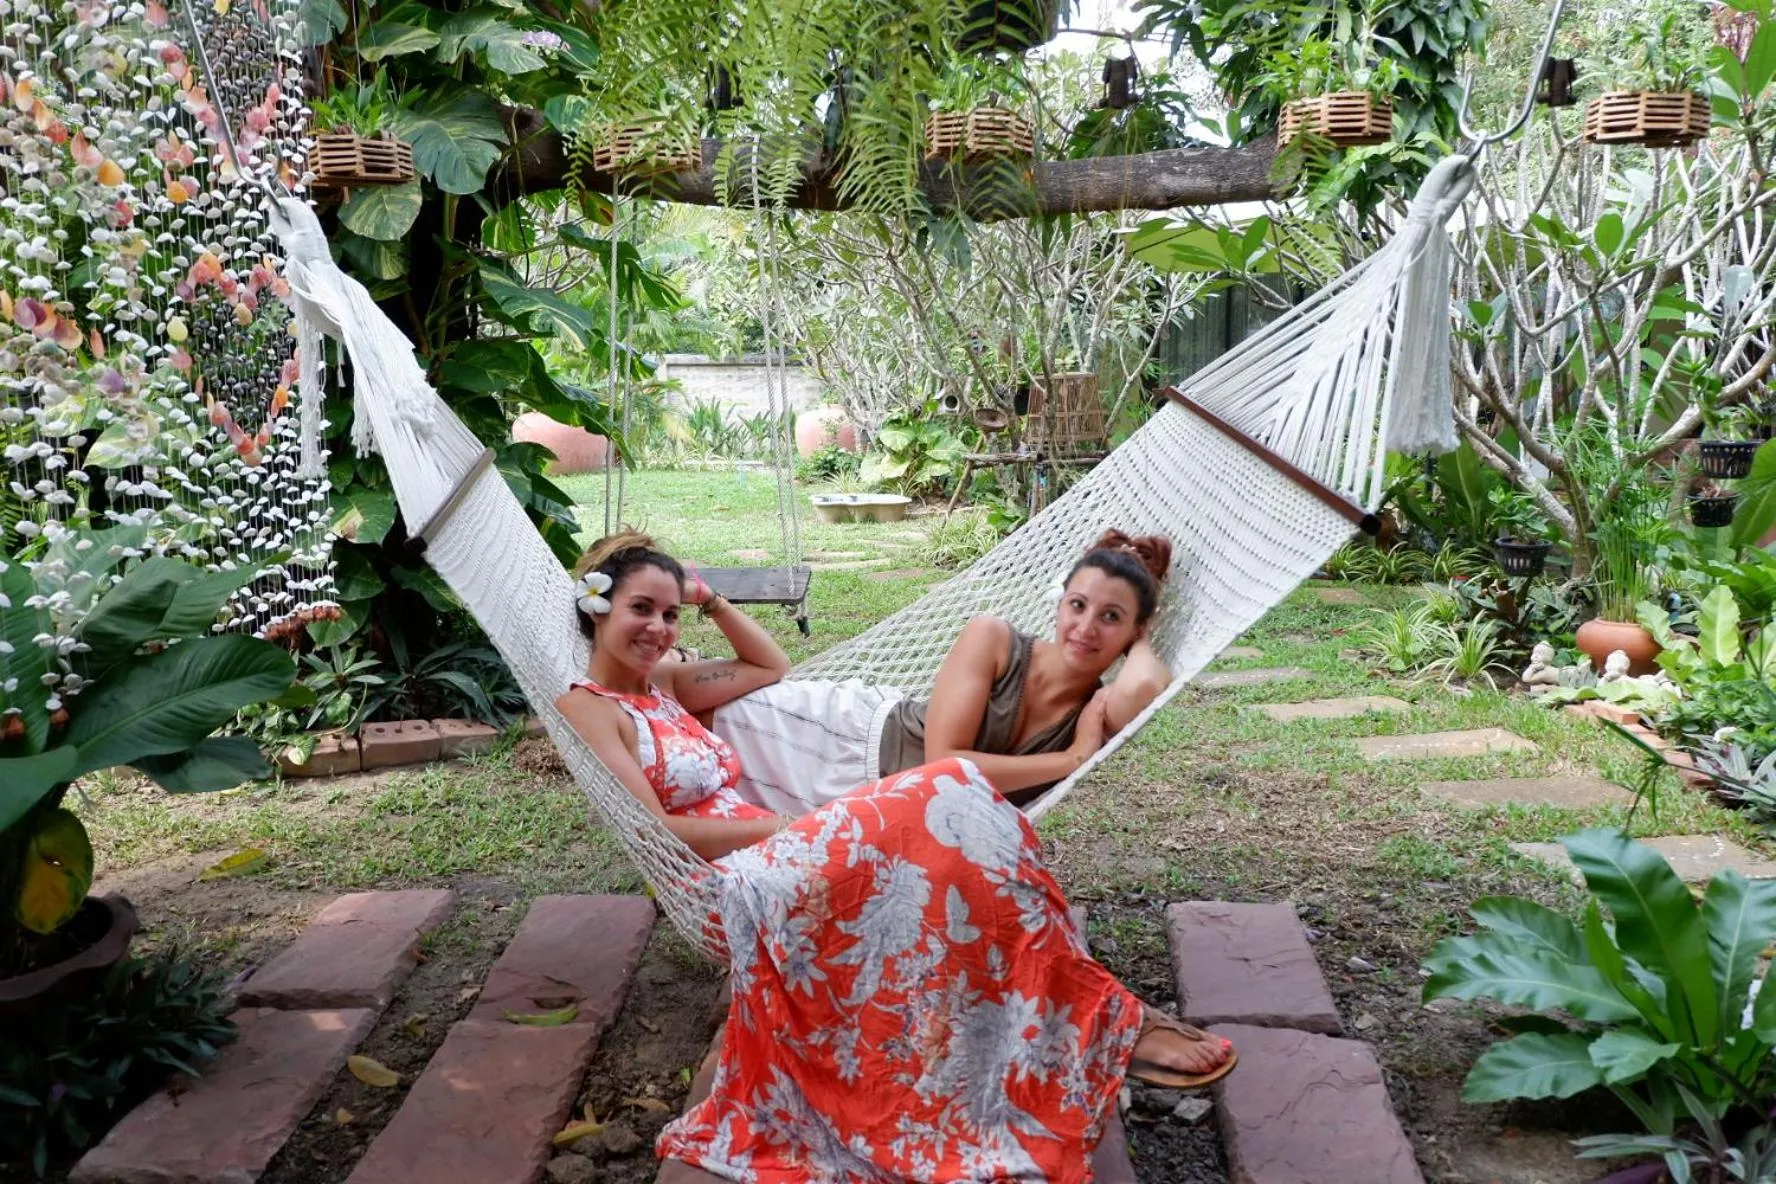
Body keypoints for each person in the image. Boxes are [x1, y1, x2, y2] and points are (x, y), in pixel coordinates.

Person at [554, 530, 1234, 1182]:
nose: (660, 629)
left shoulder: (664, 691)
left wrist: (709, 599)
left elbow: (770, 667)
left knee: (956, 831)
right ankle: (1110, 1020)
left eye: (671, 614)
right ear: (597, 606)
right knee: (950, 789)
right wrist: (792, 827)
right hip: (739, 879)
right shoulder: (591, 707)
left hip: (785, 848)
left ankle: (1087, 1013)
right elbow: (658, 833)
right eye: (641, 609)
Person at [711, 530, 1175, 814]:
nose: (1086, 627)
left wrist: (1145, 633)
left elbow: (1148, 685)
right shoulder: (993, 638)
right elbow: (942, 765)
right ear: (1059, 605)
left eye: (1111, 617)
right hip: (841, 744)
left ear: (1133, 634)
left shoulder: (1095, 709)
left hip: (884, 808)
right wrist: (1069, 760)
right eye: (1077, 605)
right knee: (690, 722)